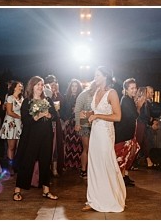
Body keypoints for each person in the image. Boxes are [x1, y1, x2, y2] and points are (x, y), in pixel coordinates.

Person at [83, 66, 126, 212]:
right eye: (95, 75)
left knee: (105, 164)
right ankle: (93, 199)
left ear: (105, 76)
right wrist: (88, 113)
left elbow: (117, 116)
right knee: (94, 165)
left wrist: (97, 116)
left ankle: (110, 198)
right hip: (95, 132)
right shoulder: (96, 91)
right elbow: (96, 111)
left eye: (97, 75)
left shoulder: (112, 93)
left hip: (106, 134)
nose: (95, 78)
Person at [13, 76, 59, 202]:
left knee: (45, 162)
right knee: (26, 163)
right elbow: (25, 121)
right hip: (31, 137)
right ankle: (17, 190)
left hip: (46, 136)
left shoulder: (48, 100)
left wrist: (50, 115)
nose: (40, 87)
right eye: (38, 84)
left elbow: (55, 116)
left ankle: (46, 191)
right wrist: (37, 117)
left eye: (42, 85)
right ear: (32, 86)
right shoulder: (27, 102)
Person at [0, 80, 23, 170]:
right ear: (14, 88)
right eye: (19, 86)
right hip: (11, 123)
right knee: (11, 147)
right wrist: (20, 117)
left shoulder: (22, 98)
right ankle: (10, 167)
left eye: (21, 86)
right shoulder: (10, 98)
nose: (21, 87)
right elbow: (9, 112)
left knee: (18, 146)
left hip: (19, 123)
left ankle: (17, 165)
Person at [61, 79, 84, 172]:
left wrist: (78, 111)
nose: (74, 88)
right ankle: (67, 163)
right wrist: (65, 120)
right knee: (68, 144)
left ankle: (77, 164)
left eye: (76, 86)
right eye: (72, 86)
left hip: (78, 123)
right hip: (69, 124)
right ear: (70, 87)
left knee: (78, 143)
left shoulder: (81, 97)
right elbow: (62, 111)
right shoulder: (66, 98)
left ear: (79, 87)